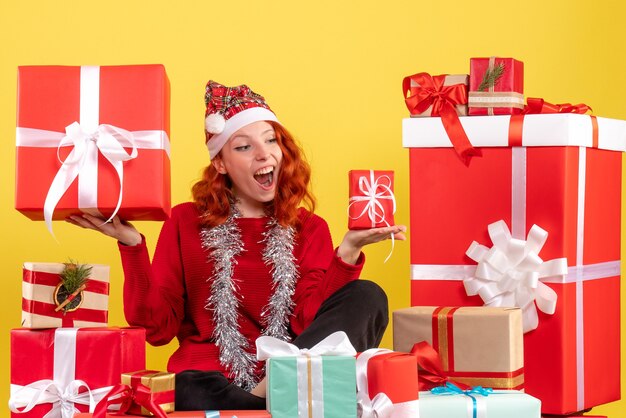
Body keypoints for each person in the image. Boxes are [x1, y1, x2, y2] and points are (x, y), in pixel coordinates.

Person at [67, 81, 406, 410]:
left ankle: (269, 389)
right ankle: (271, 400)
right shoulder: (185, 221)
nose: (263, 154)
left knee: (369, 296)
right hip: (211, 384)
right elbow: (157, 330)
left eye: (271, 140)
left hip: (287, 370)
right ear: (220, 163)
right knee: (184, 385)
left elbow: (308, 324)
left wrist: (347, 254)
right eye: (244, 147)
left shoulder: (310, 228)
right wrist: (132, 246)